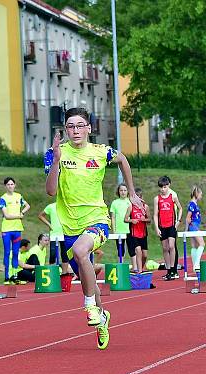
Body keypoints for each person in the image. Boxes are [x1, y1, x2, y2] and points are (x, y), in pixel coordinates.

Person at [45, 107, 141, 350]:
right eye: (70, 126)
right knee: (89, 281)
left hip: (97, 220)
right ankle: (102, 317)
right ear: (65, 130)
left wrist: (131, 193)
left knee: (80, 251)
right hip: (71, 226)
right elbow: (51, 192)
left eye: (79, 125)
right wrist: (56, 161)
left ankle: (89, 306)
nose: (75, 130)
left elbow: (123, 160)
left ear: (89, 128)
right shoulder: (55, 153)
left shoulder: (101, 152)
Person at [0, 177, 30, 282]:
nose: (10, 186)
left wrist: (22, 213)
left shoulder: (19, 196)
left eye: (12, 184)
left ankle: (15, 275)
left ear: (15, 185)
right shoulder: (3, 198)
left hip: (17, 229)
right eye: (8, 184)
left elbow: (27, 206)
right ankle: (7, 277)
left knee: (16, 252)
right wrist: (19, 216)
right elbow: (6, 216)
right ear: (5, 186)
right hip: (7, 230)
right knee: (7, 252)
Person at [153, 175, 182, 281]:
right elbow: (155, 214)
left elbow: (180, 208)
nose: (163, 189)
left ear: (168, 186)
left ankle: (174, 269)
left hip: (171, 225)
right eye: (161, 187)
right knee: (165, 248)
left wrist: (178, 221)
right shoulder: (157, 199)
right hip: (162, 226)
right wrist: (156, 228)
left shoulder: (173, 196)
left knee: (171, 246)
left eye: (165, 187)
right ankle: (169, 270)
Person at [38, 201, 71, 274]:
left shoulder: (66, 206)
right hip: (54, 234)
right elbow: (40, 215)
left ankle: (64, 273)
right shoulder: (50, 206)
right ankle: (52, 273)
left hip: (64, 233)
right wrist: (49, 225)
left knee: (64, 254)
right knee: (52, 254)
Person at [124, 187, 150, 273]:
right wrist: (132, 220)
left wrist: (144, 219)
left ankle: (140, 268)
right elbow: (125, 219)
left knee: (145, 255)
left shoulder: (145, 207)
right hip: (134, 233)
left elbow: (149, 220)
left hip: (143, 233)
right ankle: (139, 271)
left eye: (139, 197)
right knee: (138, 250)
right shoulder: (131, 207)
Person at [109, 183, 131, 261]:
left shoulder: (130, 202)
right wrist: (114, 230)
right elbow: (113, 217)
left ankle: (136, 267)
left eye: (125, 190)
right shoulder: (114, 203)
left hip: (129, 229)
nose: (123, 192)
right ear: (118, 191)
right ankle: (120, 263)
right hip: (119, 229)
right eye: (121, 190)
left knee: (132, 249)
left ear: (128, 191)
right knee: (120, 249)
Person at [186, 186, 203, 272]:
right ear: (196, 194)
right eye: (200, 195)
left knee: (195, 246)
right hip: (193, 226)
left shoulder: (194, 204)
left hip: (194, 226)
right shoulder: (192, 204)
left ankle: (195, 266)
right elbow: (188, 218)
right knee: (202, 244)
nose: (201, 197)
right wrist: (193, 228)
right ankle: (196, 264)